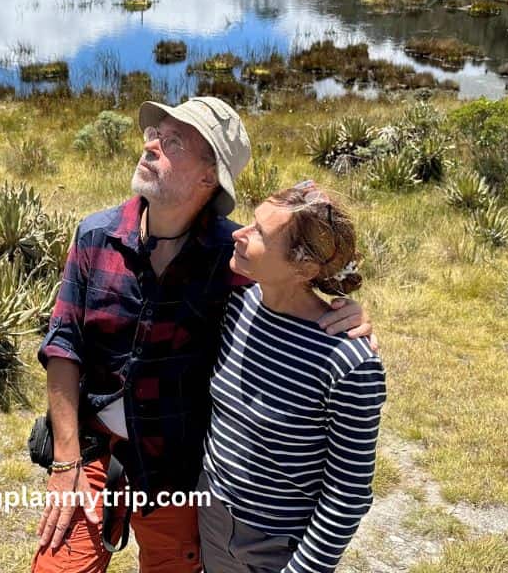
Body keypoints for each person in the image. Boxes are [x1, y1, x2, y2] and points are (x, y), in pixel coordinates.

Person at [31, 98, 376, 573]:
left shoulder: (237, 260)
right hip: (90, 452)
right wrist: (65, 461)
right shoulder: (95, 236)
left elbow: (297, 290)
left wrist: (346, 319)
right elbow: (63, 345)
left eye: (172, 141)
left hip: (178, 466)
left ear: (207, 177)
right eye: (154, 134)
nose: (151, 145)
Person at [198, 181, 386, 573]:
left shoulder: (348, 361)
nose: (239, 234)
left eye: (260, 234)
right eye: (250, 222)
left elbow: (347, 494)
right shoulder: (237, 306)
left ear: (304, 267)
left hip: (277, 548)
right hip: (211, 520)